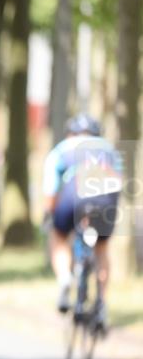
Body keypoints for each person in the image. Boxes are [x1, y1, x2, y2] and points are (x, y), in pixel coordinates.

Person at [43, 113, 123, 327]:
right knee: (102, 248)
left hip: (73, 195)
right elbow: (120, 182)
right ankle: (102, 303)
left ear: (71, 132)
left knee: (58, 235)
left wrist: (48, 213)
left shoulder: (62, 148)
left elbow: (50, 188)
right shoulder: (110, 150)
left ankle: (64, 279)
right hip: (106, 198)